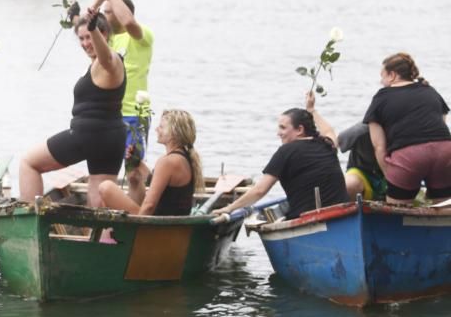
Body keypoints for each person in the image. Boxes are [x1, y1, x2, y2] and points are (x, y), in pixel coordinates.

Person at [19, 8, 126, 208]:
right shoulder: (99, 62)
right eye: (81, 39)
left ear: (103, 34)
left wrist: (93, 29)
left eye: (90, 37)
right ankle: (102, 239)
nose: (85, 43)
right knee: (97, 199)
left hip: (89, 135)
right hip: (112, 137)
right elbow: (87, 21)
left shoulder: (110, 61)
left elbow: (106, 56)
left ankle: (28, 223)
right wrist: (80, 15)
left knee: (29, 163)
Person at [214, 93, 349, 220]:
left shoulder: (286, 151)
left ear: (300, 130)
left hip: (309, 219)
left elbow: (259, 191)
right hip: (341, 215)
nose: (278, 133)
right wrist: (312, 109)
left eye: (283, 128)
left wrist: (230, 208)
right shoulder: (327, 144)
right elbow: (329, 131)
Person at [94, 0, 154, 203]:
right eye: (105, 12)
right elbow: (87, 23)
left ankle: (137, 215)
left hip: (134, 114)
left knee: (133, 175)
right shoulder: (106, 39)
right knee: (104, 171)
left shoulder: (142, 36)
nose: (106, 17)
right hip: (108, 115)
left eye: (110, 12)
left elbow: (128, 21)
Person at [364, 52, 451, 205]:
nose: (381, 81)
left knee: (397, 212)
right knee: (444, 206)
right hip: (445, 151)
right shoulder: (430, 91)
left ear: (392, 75)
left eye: (382, 76)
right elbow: (442, 124)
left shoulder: (381, 97)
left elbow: (378, 146)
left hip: (409, 156)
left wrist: (389, 175)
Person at [99, 109, 203, 216]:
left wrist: (138, 227)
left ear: (174, 133)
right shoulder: (184, 158)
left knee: (106, 187)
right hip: (173, 224)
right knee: (135, 180)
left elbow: (149, 205)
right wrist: (138, 164)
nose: (156, 129)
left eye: (161, 127)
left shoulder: (168, 162)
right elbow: (160, 184)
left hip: (157, 227)